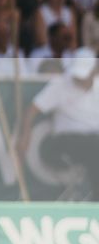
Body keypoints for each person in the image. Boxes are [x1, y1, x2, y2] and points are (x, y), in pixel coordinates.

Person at [16, 47, 99, 198]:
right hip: (66, 141)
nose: (79, 79)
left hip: (93, 140)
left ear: (94, 71)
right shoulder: (61, 84)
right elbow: (31, 111)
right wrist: (25, 135)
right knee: (94, 147)